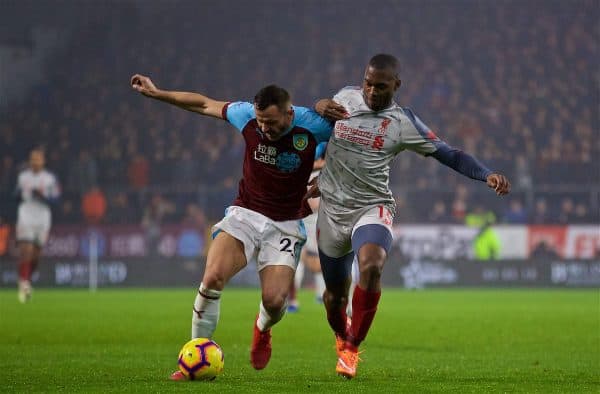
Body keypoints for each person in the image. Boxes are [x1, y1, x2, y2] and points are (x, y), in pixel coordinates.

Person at [308, 54, 511, 379]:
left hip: (372, 206)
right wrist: (319, 106)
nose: (372, 91)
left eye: (381, 86)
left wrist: (486, 174)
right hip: (332, 210)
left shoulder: (402, 123)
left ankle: (352, 347)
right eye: (368, 83)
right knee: (334, 299)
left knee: (372, 266)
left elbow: (450, 154)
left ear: (396, 86)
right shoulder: (344, 98)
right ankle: (341, 332)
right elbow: (315, 127)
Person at [130, 75, 332, 377]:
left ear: (289, 114)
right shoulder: (246, 115)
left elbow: (354, 134)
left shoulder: (313, 125)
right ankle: (194, 355)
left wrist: (323, 105)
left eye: (272, 123)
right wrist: (158, 94)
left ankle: (262, 327)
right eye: (261, 121)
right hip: (245, 214)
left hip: (287, 223)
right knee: (212, 277)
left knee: (276, 302)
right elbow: (203, 103)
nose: (265, 128)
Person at [14, 148, 61, 303]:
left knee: (36, 255)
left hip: (42, 217)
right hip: (26, 215)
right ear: (30, 161)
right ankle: (23, 282)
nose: (35, 162)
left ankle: (27, 278)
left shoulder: (50, 178)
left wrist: (42, 196)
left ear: (43, 161)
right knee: (26, 249)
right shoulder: (22, 177)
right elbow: (15, 195)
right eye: (32, 159)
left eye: (38, 159)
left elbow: (56, 200)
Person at [288, 142, 328, 312]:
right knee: (296, 260)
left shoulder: (322, 171)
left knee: (321, 259)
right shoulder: (302, 170)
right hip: (302, 218)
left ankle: (320, 294)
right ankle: (293, 300)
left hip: (319, 219)